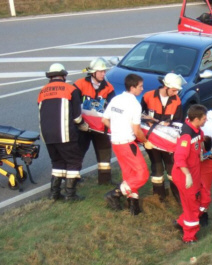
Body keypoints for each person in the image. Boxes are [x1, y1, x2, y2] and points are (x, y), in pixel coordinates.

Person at [38, 63, 87, 202]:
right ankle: (70, 195)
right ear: (64, 76)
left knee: (57, 162)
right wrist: (84, 126)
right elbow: (77, 117)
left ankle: (54, 194)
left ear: (50, 77)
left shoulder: (42, 91)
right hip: (65, 133)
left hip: (47, 135)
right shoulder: (70, 89)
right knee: (74, 161)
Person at [102, 74, 150, 216]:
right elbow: (137, 130)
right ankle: (116, 193)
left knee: (129, 175)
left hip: (116, 142)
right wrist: (146, 142)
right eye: (140, 86)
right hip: (127, 143)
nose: (142, 89)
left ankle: (133, 207)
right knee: (142, 175)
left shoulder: (115, 99)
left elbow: (105, 120)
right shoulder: (135, 105)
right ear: (132, 87)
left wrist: (116, 129)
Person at [141, 73, 184, 203]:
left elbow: (178, 121)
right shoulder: (148, 96)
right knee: (157, 168)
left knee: (172, 168)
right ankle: (159, 197)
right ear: (166, 86)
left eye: (177, 90)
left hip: (168, 141)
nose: (176, 92)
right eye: (174, 90)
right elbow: (139, 116)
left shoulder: (176, 100)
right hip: (152, 141)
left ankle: (177, 196)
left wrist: (168, 125)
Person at [172, 104, 211, 243]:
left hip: (195, 174)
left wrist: (202, 152)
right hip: (185, 176)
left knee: (205, 199)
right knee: (192, 207)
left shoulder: (198, 131)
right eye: (204, 118)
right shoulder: (186, 135)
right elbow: (179, 158)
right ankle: (189, 238)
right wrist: (187, 175)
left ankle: (182, 222)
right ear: (196, 119)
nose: (206, 120)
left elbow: (199, 142)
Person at [74, 57, 115, 185]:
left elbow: (112, 107)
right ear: (93, 72)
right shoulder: (80, 84)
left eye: (104, 71)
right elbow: (73, 105)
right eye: (101, 71)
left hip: (100, 127)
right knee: (78, 152)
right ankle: (73, 180)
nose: (104, 74)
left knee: (104, 153)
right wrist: (79, 123)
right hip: (83, 127)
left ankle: (105, 181)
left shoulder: (108, 87)